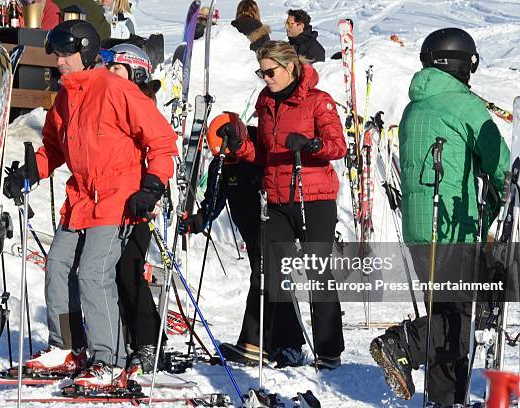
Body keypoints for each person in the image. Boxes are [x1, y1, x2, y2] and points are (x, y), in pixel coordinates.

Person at [3, 19, 177, 391]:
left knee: (94, 274)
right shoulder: (66, 97)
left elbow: (161, 140)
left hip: (118, 197)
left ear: (85, 52)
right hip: (81, 198)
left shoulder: (116, 89)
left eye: (67, 54)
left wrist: (152, 185)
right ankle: (68, 346)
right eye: (57, 55)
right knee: (58, 268)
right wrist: (28, 174)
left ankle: (109, 359)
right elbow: (53, 148)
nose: (60, 62)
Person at [369, 28, 509, 406]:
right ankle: (404, 343)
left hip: (420, 226)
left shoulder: (416, 105)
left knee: (444, 314)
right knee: (466, 321)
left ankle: (443, 399)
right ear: (463, 63)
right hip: (453, 224)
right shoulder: (464, 105)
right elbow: (501, 166)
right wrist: (502, 199)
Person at [218, 40, 346, 369]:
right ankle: (254, 343)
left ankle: (329, 351)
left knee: (317, 271)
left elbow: (337, 146)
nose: (266, 78)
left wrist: (310, 145)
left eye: (270, 71)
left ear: (289, 68)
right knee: (268, 269)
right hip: (276, 198)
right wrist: (242, 147)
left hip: (313, 198)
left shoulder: (318, 102)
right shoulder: (265, 101)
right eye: (261, 72)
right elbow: (263, 154)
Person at [100, 42, 165, 375]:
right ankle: (122, 341)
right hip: (110, 202)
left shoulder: (140, 104)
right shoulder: (110, 102)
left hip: (138, 202)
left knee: (129, 271)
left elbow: (162, 148)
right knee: (109, 274)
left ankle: (150, 342)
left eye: (117, 69)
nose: (109, 75)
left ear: (136, 73)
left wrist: (151, 190)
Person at [178, 122, 266, 365]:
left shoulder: (259, 152)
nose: (227, 162)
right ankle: (285, 344)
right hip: (249, 231)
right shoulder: (222, 165)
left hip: (271, 225)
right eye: (223, 158)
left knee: (264, 278)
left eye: (230, 157)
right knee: (268, 281)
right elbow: (213, 201)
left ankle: (255, 343)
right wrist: (197, 221)